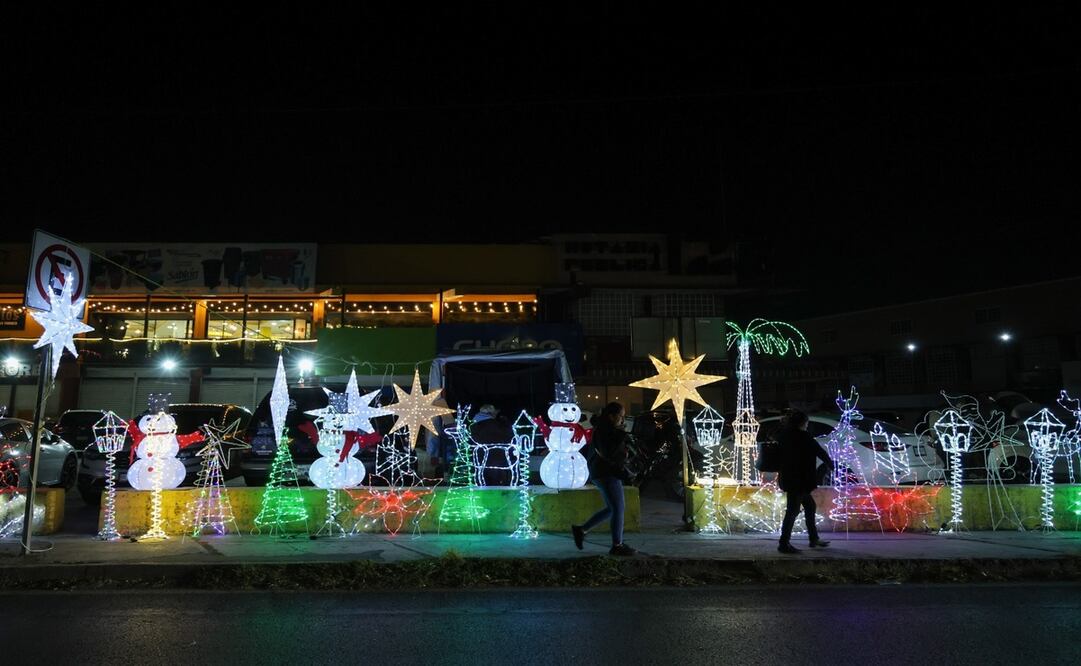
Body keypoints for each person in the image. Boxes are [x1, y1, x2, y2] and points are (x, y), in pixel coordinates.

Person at [571, 402, 636, 556]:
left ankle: (581, 530)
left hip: (603, 472)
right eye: (621, 416)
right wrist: (621, 435)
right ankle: (617, 545)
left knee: (611, 508)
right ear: (611, 416)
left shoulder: (605, 429)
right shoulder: (604, 430)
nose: (622, 420)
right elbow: (609, 452)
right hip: (606, 472)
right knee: (618, 508)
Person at [777, 409, 833, 554]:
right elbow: (820, 451)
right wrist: (831, 465)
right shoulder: (803, 436)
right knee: (792, 511)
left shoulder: (784, 436)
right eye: (806, 422)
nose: (807, 425)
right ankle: (783, 544)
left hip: (790, 479)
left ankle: (813, 538)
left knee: (809, 507)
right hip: (800, 481)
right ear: (803, 423)